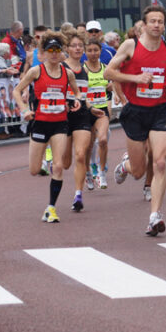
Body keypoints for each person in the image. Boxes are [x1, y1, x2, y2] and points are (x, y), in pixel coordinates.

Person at [106, 5, 166, 236]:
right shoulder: (131, 45)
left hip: (160, 110)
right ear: (145, 24)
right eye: (153, 21)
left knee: (159, 162)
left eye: (160, 21)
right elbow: (108, 73)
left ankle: (154, 215)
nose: (157, 25)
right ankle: (125, 166)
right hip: (136, 111)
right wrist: (135, 78)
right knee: (139, 171)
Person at [13, 32, 82, 222]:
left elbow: (77, 93)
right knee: (34, 170)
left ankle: (51, 208)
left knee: (58, 167)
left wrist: (76, 101)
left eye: (57, 50)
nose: (53, 54)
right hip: (40, 124)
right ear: (44, 52)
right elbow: (17, 90)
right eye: (50, 50)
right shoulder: (36, 71)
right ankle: (41, 161)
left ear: (62, 53)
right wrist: (25, 109)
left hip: (60, 123)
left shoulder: (67, 73)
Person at [62, 33, 103, 211]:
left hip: (82, 116)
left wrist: (91, 107)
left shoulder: (85, 70)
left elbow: (83, 95)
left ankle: (78, 195)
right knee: (65, 162)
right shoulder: (61, 68)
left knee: (80, 154)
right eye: (74, 45)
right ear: (67, 49)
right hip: (63, 116)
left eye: (80, 45)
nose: (78, 48)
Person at [83, 38, 113, 189]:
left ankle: (102, 172)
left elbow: (113, 86)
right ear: (85, 52)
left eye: (96, 50)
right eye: (89, 50)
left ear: (100, 51)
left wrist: (112, 86)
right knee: (88, 146)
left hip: (102, 110)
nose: (93, 53)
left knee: (102, 140)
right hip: (87, 112)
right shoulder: (83, 70)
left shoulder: (105, 68)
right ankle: (88, 172)